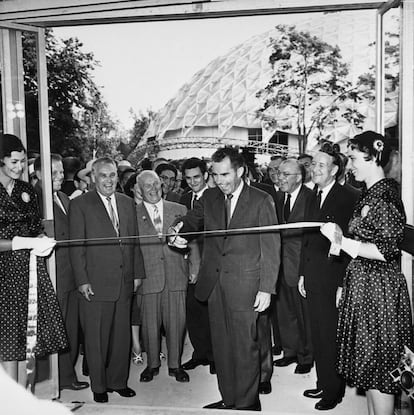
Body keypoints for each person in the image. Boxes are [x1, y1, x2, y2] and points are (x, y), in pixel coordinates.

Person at [169, 147, 280, 411]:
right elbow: (192, 220)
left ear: (240, 171)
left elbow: (271, 247)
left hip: (247, 286)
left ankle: (247, 402)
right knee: (221, 347)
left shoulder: (261, 200)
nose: (219, 180)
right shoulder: (210, 197)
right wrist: (178, 230)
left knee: (244, 347)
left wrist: (266, 288)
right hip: (215, 285)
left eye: (225, 174)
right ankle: (229, 398)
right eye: (215, 174)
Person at [320, 131, 413, 415]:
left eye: (354, 158)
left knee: (382, 370)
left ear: (373, 157)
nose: (350, 165)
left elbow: (386, 251)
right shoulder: (370, 193)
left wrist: (342, 241)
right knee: (371, 368)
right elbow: (365, 242)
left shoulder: (384, 195)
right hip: (365, 285)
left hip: (379, 291)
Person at [69, 157, 146, 403]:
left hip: (124, 281)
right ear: (93, 178)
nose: (109, 180)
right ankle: (99, 386)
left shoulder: (126, 203)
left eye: (112, 175)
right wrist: (82, 280)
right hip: (95, 283)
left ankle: (118, 382)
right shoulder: (81, 204)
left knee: (121, 337)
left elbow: (134, 242)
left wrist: (137, 273)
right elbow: (76, 246)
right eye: (103, 175)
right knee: (96, 338)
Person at [0, 134, 65, 383]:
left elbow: (34, 228)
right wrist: (19, 243)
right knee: (7, 345)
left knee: (25, 344)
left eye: (22, 161)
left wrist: (40, 242)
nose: (19, 167)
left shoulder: (27, 190)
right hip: (3, 273)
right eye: (13, 162)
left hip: (26, 271)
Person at [298, 145, 359, 411]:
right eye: (313, 164)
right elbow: (307, 238)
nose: (315, 169)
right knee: (318, 334)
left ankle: (334, 392)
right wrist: (302, 272)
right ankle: (324, 382)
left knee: (331, 335)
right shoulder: (312, 195)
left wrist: (342, 284)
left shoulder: (348, 197)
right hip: (312, 276)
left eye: (321, 165)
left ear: (335, 170)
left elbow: (351, 244)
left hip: (333, 279)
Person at [136, 171, 199, 383]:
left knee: (177, 324)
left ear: (162, 185)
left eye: (156, 184)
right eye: (147, 186)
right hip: (147, 278)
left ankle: (176, 365)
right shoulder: (132, 214)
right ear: (139, 190)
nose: (153, 189)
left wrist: (195, 267)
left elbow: (193, 241)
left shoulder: (179, 210)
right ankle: (152, 364)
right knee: (149, 326)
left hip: (176, 275)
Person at [35, 154, 89, 392]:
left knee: (70, 327)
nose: (60, 177)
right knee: (55, 329)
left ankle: (67, 375)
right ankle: (56, 379)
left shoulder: (64, 197)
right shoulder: (33, 199)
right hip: (51, 275)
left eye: (60, 172)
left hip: (70, 275)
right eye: (53, 172)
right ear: (38, 174)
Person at [273, 159, 313, 374]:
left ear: (298, 177)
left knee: (303, 313)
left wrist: (306, 271)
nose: (280, 178)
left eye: (285, 174)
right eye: (279, 174)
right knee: (284, 311)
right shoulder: (278, 198)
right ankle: (290, 352)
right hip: (279, 265)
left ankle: (306, 356)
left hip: (300, 266)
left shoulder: (311, 198)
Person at [179, 158, 215, 375]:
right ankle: (199, 353)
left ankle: (215, 357)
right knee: (193, 311)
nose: (193, 182)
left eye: (197, 177)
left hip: (210, 264)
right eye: (188, 178)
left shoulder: (215, 198)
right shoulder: (182, 198)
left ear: (205, 175)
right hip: (186, 264)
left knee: (211, 312)